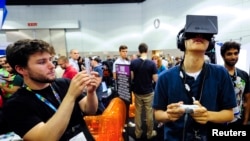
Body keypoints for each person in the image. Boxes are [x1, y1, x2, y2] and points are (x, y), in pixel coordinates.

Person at [152, 15, 236, 141]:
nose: (199, 36)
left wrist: (208, 115)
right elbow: (158, 114)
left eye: (204, 34)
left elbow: (229, 114)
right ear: (182, 41)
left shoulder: (220, 74)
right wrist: (168, 115)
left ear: (210, 43)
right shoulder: (165, 78)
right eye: (192, 33)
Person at [2, 39, 101, 141]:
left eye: (50, 59)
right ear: (21, 69)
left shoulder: (64, 83)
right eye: (42, 62)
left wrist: (91, 92)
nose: (52, 66)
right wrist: (71, 96)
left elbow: (89, 110)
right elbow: (45, 138)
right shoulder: (15, 105)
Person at [130, 43, 158, 139]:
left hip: (137, 92)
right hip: (149, 92)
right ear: (147, 50)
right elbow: (156, 79)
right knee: (149, 113)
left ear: (139, 51)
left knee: (138, 113)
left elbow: (132, 77)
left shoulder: (133, 63)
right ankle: (149, 133)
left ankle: (138, 133)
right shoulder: (152, 64)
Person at [220, 41, 250, 126]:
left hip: (238, 120)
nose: (233, 57)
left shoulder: (244, 74)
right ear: (223, 56)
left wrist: (245, 121)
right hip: (221, 120)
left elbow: (248, 99)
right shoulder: (217, 74)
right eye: (229, 54)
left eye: (236, 53)